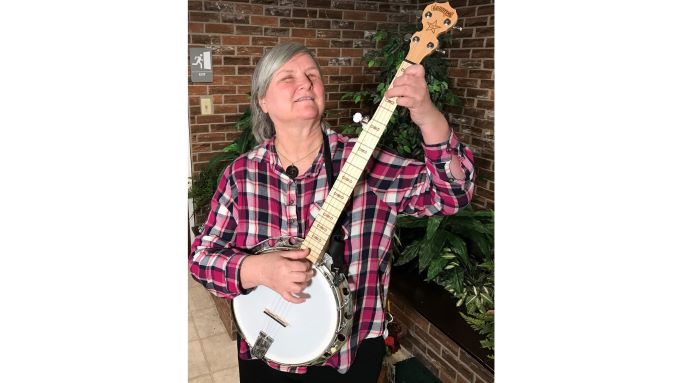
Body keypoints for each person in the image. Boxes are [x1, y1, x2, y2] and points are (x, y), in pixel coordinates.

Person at [189, 42, 475, 383]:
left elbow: (452, 194)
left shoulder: (366, 162)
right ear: (263, 101)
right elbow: (201, 259)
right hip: (264, 346)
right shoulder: (241, 174)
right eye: (288, 77)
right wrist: (256, 269)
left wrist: (428, 116)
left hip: (350, 356)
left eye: (312, 75)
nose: (306, 83)